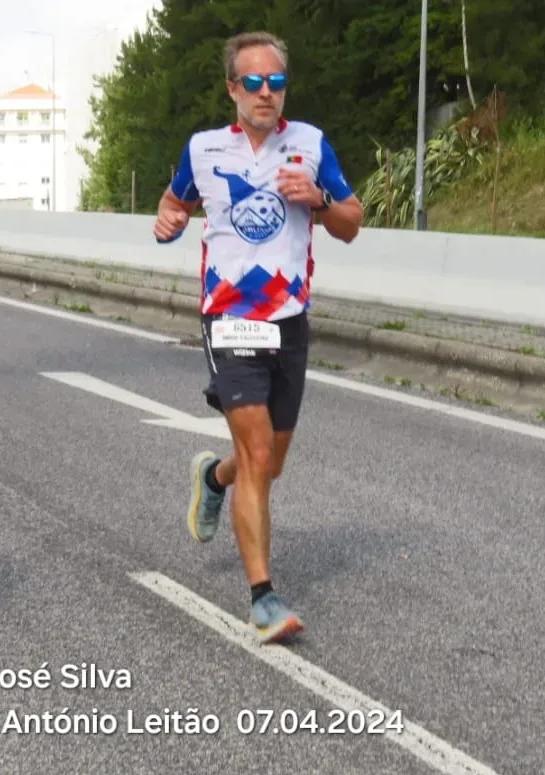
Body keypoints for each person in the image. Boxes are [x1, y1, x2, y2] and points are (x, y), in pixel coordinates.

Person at [153, 31, 364, 644]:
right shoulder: (203, 149)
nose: (266, 92)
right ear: (232, 89)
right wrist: (168, 221)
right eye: (253, 82)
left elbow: (352, 222)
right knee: (258, 453)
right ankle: (264, 597)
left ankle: (214, 478)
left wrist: (318, 199)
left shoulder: (310, 144)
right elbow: (173, 204)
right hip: (230, 314)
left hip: (288, 318)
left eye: (276, 82)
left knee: (268, 464)